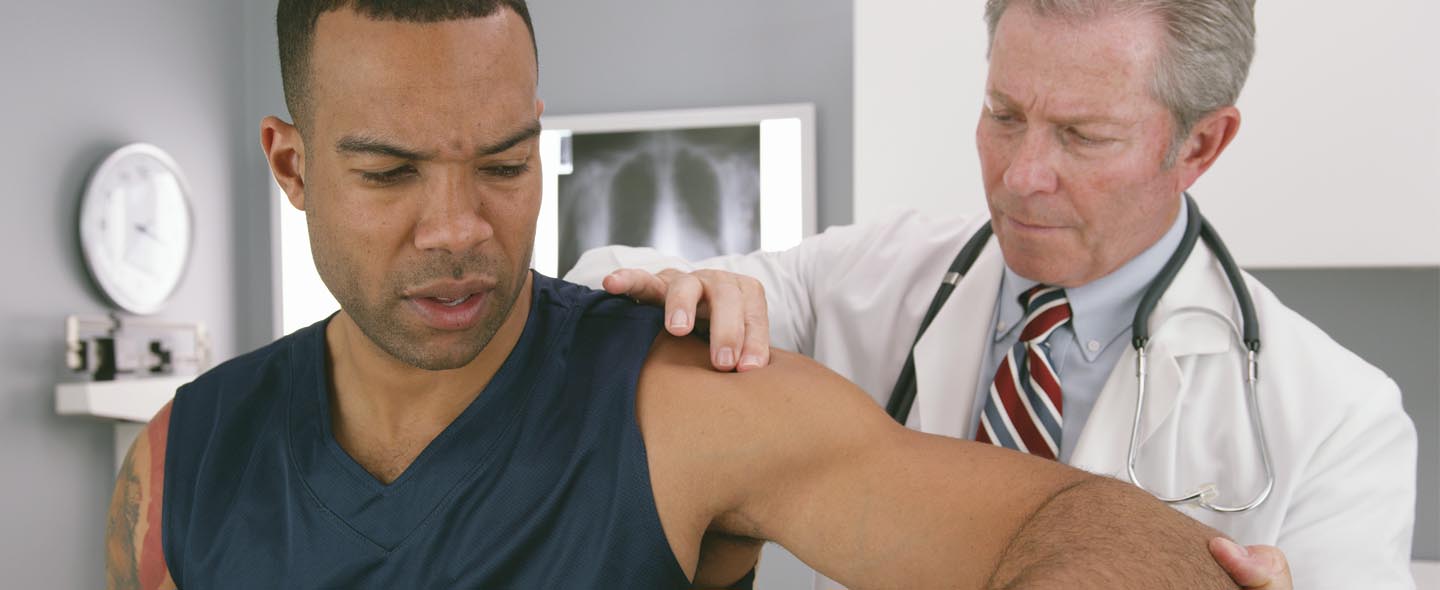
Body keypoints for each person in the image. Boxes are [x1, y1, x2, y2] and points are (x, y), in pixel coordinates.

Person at [102, 1, 1265, 589]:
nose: (458, 227)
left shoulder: (677, 406)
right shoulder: (178, 466)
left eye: (504, 164)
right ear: (293, 166)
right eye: (389, 171)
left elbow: (1063, 521)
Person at [569, 1, 1418, 589]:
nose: (1020, 176)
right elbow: (659, 284)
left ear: (1201, 145)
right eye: (1003, 114)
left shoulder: (1339, 421)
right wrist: (674, 289)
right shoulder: (878, 272)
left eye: (1084, 136)